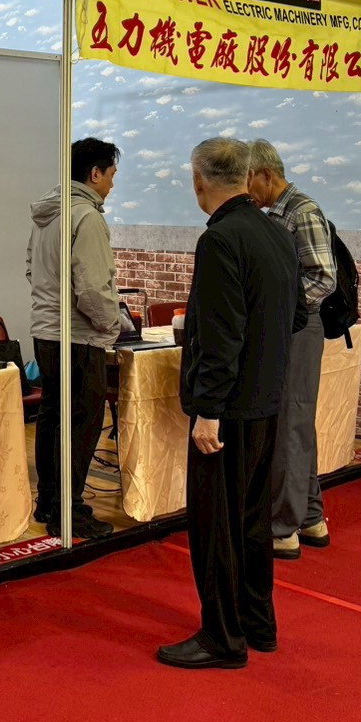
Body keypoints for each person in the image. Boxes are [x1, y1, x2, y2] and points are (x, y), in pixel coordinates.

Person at [157, 138, 305, 671]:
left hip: (229, 409)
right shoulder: (276, 231)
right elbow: (296, 315)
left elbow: (221, 336)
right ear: (247, 176)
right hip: (266, 400)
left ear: (199, 182)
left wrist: (208, 410)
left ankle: (222, 637)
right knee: (251, 522)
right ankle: (257, 623)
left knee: (216, 526)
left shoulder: (220, 240)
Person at [27, 138, 120, 540]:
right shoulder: (87, 217)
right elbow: (93, 288)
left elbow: (31, 270)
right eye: (111, 175)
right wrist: (111, 327)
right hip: (79, 337)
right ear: (95, 174)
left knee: (52, 418)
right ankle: (70, 510)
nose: (112, 184)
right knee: (80, 424)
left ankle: (49, 502)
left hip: (46, 332)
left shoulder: (47, 215)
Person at [247, 139, 335, 561]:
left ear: (267, 175)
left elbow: (323, 278)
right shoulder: (279, 213)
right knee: (295, 423)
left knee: (289, 423)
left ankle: (283, 527)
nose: (246, 190)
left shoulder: (302, 212)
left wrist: (281, 309)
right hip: (291, 326)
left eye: (248, 180)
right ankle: (310, 516)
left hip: (298, 327)